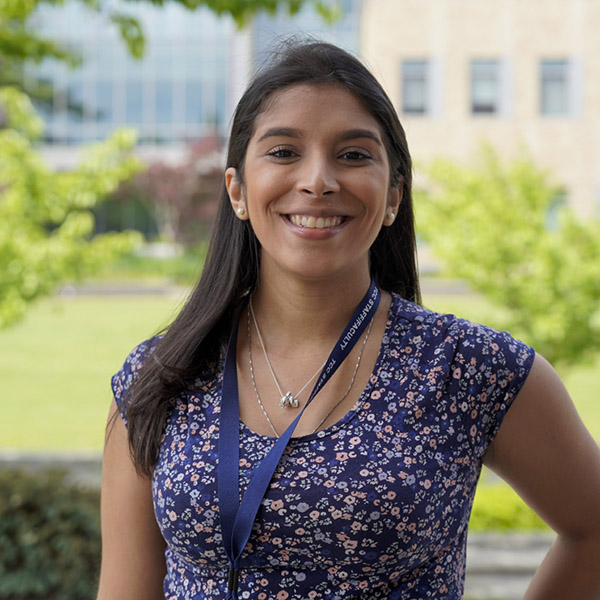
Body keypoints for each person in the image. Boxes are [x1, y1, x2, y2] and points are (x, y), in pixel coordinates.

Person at [97, 41, 600, 600]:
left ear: (393, 196)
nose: (318, 180)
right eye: (284, 152)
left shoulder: (469, 369)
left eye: (354, 155)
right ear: (238, 190)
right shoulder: (159, 376)